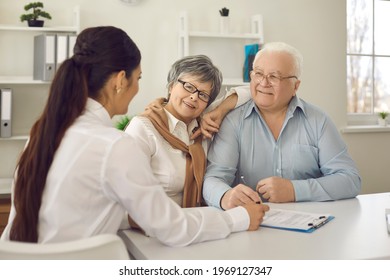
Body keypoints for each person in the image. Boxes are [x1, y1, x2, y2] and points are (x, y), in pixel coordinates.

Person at [1, 26, 269, 246]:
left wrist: (221, 109)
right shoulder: (115, 145)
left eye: (202, 94)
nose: (139, 88)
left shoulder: (43, 133)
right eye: (138, 78)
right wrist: (239, 219)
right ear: (120, 80)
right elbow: (172, 228)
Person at [203, 42, 361, 210]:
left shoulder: (318, 121)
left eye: (274, 77)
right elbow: (213, 179)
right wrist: (225, 196)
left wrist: (295, 190)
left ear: (295, 86)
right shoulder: (232, 122)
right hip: (250, 225)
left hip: (311, 225)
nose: (264, 83)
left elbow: (350, 180)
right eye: (258, 74)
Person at [124, 55, 250, 208]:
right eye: (188, 86)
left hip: (197, 221)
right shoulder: (143, 127)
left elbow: (253, 90)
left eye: (203, 95)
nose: (194, 97)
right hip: (152, 224)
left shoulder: (203, 125)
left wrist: (221, 110)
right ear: (171, 86)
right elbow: (129, 195)